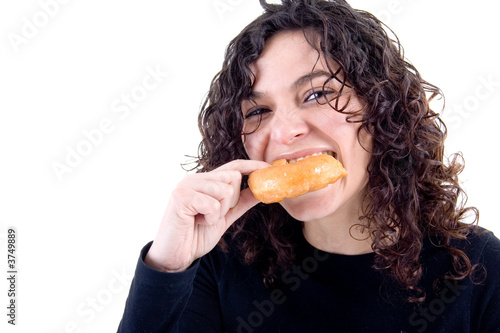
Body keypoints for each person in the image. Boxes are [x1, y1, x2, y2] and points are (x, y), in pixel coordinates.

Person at [117, 0, 500, 332]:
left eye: (317, 93)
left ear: (382, 110)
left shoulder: (477, 269)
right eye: (258, 111)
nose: (283, 132)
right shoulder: (220, 264)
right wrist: (166, 265)